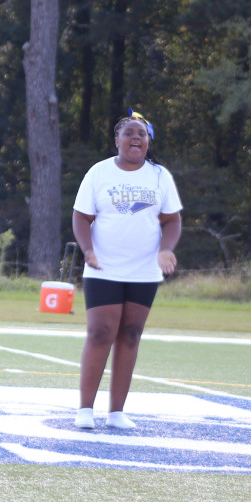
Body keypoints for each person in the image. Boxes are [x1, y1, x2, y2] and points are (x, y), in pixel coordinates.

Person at [71, 110, 182, 430]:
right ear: (117, 140)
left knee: (131, 335)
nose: (136, 137)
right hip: (103, 267)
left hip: (144, 271)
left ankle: (116, 412)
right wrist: (88, 251)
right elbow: (81, 216)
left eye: (142, 134)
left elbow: (172, 220)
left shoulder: (160, 176)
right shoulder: (99, 172)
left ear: (148, 142)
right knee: (101, 332)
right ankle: (85, 410)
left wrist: (165, 249)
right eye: (129, 133)